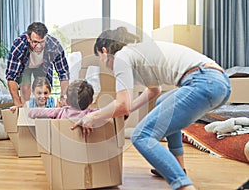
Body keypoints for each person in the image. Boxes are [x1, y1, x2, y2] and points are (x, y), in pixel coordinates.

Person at [71, 27, 231, 190]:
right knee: (163, 101)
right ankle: (178, 165)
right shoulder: (138, 54)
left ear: (104, 51)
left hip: (203, 82)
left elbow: (121, 104)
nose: (106, 66)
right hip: (218, 82)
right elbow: (154, 91)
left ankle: (184, 187)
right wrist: (128, 109)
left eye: (101, 59)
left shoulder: (121, 56)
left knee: (142, 135)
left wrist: (93, 117)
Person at [5, 22, 69, 108]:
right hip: (25, 67)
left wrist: (63, 97)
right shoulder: (19, 45)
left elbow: (63, 73)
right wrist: (17, 104)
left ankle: (44, 114)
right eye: (35, 42)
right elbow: (11, 77)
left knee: (43, 89)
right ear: (28, 38)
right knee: (25, 89)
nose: (38, 46)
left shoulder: (54, 45)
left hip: (43, 66)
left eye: (41, 42)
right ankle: (26, 114)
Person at [28, 80, 97, 119]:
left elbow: (32, 112)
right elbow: (106, 111)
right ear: (91, 101)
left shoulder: (60, 112)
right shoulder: (93, 114)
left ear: (67, 102)